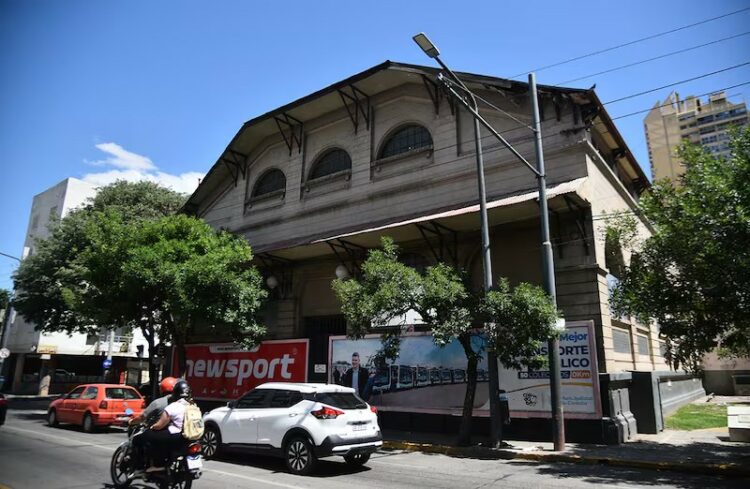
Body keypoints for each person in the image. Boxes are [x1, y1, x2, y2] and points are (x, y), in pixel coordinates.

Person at [133, 379, 192, 472]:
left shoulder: (171, 406)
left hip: (174, 434)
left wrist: (152, 427)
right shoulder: (192, 406)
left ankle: (144, 466)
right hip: (187, 436)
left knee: (143, 436)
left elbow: (159, 425)